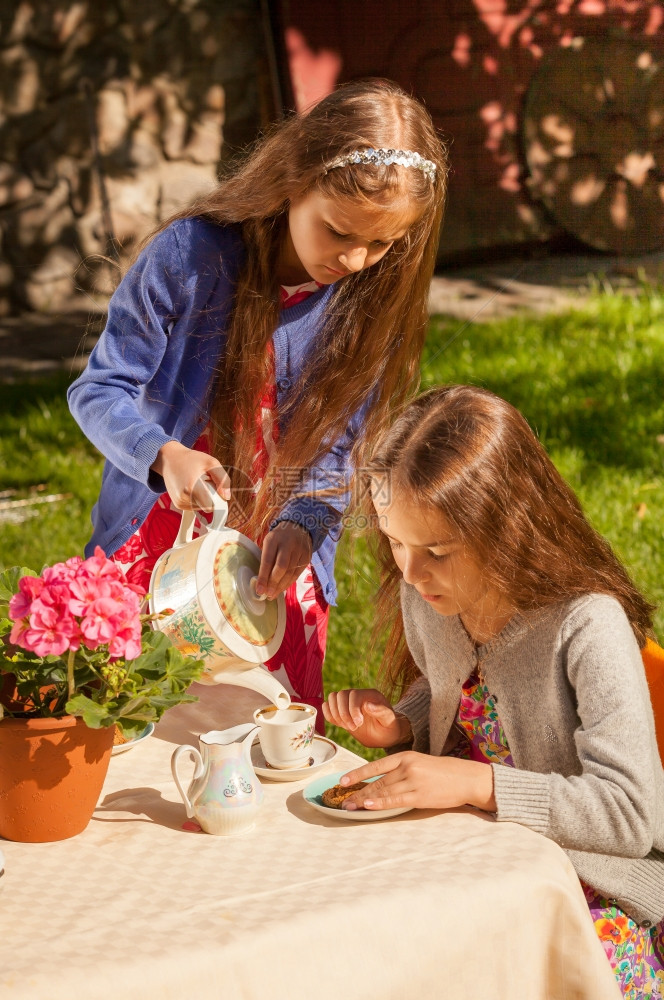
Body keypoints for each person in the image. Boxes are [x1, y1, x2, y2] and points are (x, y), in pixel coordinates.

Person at [68, 80, 447, 724]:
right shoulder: (191, 255)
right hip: (157, 543)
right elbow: (98, 390)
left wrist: (305, 522)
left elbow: (348, 443)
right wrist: (162, 454)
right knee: (135, 720)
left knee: (263, 736)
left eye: (381, 244)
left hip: (276, 559)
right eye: (337, 232)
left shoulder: (369, 293)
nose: (355, 259)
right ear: (294, 181)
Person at [323, 384, 664, 997]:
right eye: (395, 541)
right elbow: (467, 695)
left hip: (589, 892)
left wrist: (477, 784)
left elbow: (632, 815)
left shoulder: (586, 625)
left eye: (436, 551)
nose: (410, 571)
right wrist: (401, 721)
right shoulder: (428, 595)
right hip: (476, 855)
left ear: (508, 526)